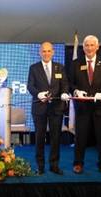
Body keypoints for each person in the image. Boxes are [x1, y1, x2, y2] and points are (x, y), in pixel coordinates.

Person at [69, 35, 101, 175]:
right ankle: (78, 163)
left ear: (97, 47)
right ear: (83, 47)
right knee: (80, 136)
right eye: (86, 45)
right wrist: (76, 90)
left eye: (92, 45)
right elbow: (69, 83)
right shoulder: (75, 63)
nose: (89, 48)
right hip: (83, 107)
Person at [27, 41, 70, 175]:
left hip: (56, 108)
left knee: (55, 137)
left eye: (49, 51)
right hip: (39, 108)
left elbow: (65, 84)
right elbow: (30, 86)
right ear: (40, 52)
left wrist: (64, 93)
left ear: (53, 52)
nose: (46, 53)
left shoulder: (60, 67)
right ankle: (40, 166)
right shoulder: (34, 68)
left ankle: (54, 165)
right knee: (39, 138)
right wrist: (38, 94)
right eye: (43, 51)